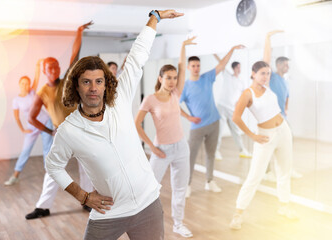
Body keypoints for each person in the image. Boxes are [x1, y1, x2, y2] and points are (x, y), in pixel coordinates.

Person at [45, 10, 184, 240]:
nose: (93, 88)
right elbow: (53, 166)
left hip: (148, 203)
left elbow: (138, 56)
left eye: (99, 81)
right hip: (109, 212)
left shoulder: (119, 100)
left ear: (105, 83)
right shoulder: (69, 130)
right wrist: (83, 196)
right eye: (86, 82)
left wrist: (155, 17)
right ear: (76, 87)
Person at [25, 21, 94, 219]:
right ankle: (43, 207)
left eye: (56, 66)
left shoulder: (68, 81)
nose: (54, 69)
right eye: (50, 67)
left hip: (80, 130)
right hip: (61, 134)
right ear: (45, 70)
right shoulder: (43, 92)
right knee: (54, 169)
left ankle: (87, 201)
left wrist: (79, 32)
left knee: (87, 167)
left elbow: (75, 56)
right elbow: (31, 117)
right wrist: (49, 131)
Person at [135, 36, 196, 238]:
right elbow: (137, 124)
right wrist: (151, 147)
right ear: (160, 78)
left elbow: (182, 67)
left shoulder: (176, 94)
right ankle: (143, 224)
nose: (172, 81)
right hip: (161, 150)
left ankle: (178, 224)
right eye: (168, 77)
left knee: (180, 190)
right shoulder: (151, 99)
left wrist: (183, 46)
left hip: (181, 148)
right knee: (151, 190)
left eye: (174, 77)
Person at [229, 61, 297, 230]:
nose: (266, 77)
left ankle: (284, 206)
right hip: (265, 137)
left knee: (284, 171)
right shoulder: (248, 93)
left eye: (268, 73)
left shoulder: (268, 88)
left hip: (283, 131)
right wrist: (252, 135)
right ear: (253, 74)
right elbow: (236, 117)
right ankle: (238, 214)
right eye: (262, 73)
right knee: (254, 176)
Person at [180, 45, 244, 198]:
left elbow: (222, 65)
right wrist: (188, 117)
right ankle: (187, 185)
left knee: (211, 155)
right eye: (193, 66)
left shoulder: (207, 77)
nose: (196, 68)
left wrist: (232, 49)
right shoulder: (185, 86)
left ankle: (209, 181)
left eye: (198, 66)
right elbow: (174, 105)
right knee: (191, 157)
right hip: (197, 127)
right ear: (189, 67)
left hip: (214, 123)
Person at [4, 59, 53, 185]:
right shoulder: (16, 100)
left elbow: (36, 78)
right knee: (25, 151)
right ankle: (15, 176)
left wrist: (37, 65)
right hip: (32, 127)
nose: (25, 86)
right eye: (22, 84)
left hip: (45, 122)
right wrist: (22, 129)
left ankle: (49, 176)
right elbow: (17, 117)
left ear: (29, 85)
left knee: (47, 150)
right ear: (19, 85)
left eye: (27, 83)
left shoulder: (32, 92)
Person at [263, 30, 302, 181]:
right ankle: (267, 172)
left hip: (282, 118)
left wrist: (286, 108)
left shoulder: (285, 81)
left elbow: (287, 97)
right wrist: (268, 39)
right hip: (270, 119)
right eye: (285, 65)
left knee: (288, 142)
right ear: (278, 65)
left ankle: (288, 169)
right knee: (269, 147)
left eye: (288, 65)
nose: (287, 67)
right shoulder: (271, 77)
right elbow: (266, 60)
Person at [213, 55, 252, 161]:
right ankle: (215, 151)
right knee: (219, 130)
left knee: (236, 130)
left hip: (232, 109)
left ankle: (242, 150)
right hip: (222, 106)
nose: (240, 69)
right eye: (238, 67)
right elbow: (221, 62)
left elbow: (244, 95)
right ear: (234, 68)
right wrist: (214, 53)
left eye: (240, 67)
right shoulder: (227, 74)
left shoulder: (241, 81)